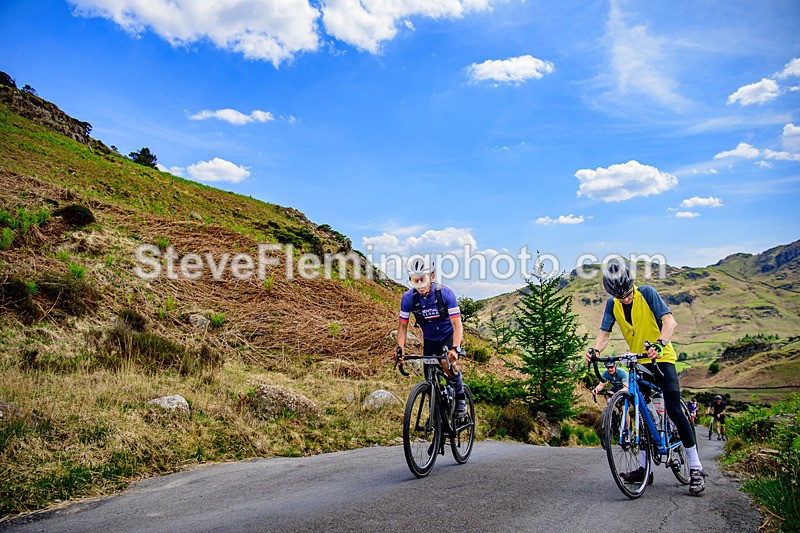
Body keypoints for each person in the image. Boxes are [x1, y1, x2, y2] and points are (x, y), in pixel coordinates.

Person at [585, 259, 706, 495]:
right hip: (637, 361)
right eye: (620, 297)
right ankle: (644, 468)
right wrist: (596, 351)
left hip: (661, 359)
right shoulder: (613, 304)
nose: (625, 299)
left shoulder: (647, 293)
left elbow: (670, 321)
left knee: (673, 408)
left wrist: (660, 344)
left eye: (627, 293)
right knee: (639, 409)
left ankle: (695, 467)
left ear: (632, 284)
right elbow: (604, 333)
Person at [396, 258, 467, 418]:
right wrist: (400, 349)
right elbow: (402, 327)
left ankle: (460, 395)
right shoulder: (409, 298)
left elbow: (457, 324)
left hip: (448, 336)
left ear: (432, 277)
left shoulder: (445, 294)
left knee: (446, 362)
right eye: (415, 280)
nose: (419, 284)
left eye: (423, 279)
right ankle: (437, 414)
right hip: (430, 340)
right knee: (428, 376)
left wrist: (455, 348)